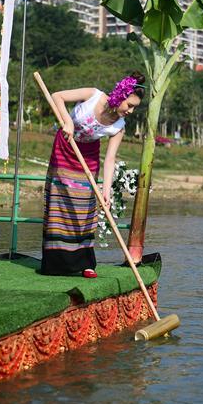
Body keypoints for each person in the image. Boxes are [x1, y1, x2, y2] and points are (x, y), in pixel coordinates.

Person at [41, 72, 145, 278]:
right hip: (65, 147)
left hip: (88, 157)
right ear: (121, 95)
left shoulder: (119, 127)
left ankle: (85, 263)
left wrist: (106, 191)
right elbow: (56, 96)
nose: (130, 111)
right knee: (59, 202)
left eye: (134, 107)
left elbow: (110, 159)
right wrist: (68, 122)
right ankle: (55, 264)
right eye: (129, 105)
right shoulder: (93, 95)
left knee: (85, 207)